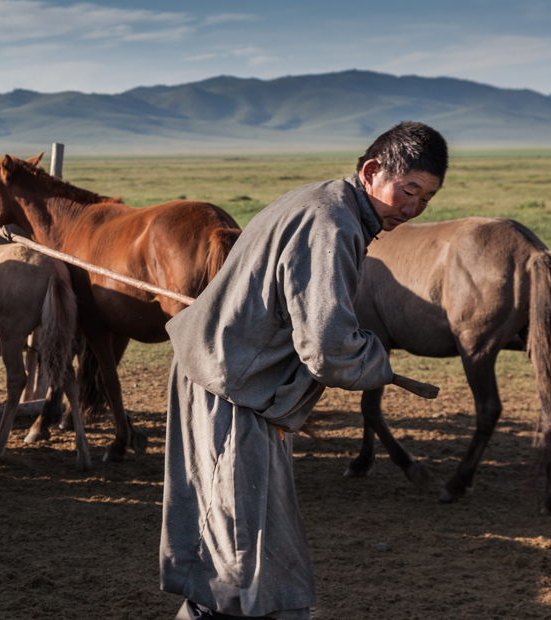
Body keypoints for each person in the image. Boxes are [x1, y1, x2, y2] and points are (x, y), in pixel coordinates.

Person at [160, 121, 448, 619]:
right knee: (241, 561)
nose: (413, 209)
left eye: (426, 199)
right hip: (230, 391)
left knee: (243, 557)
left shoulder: (324, 204)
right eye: (408, 191)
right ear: (372, 171)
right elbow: (328, 348)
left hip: (233, 383)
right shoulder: (331, 225)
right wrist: (375, 360)